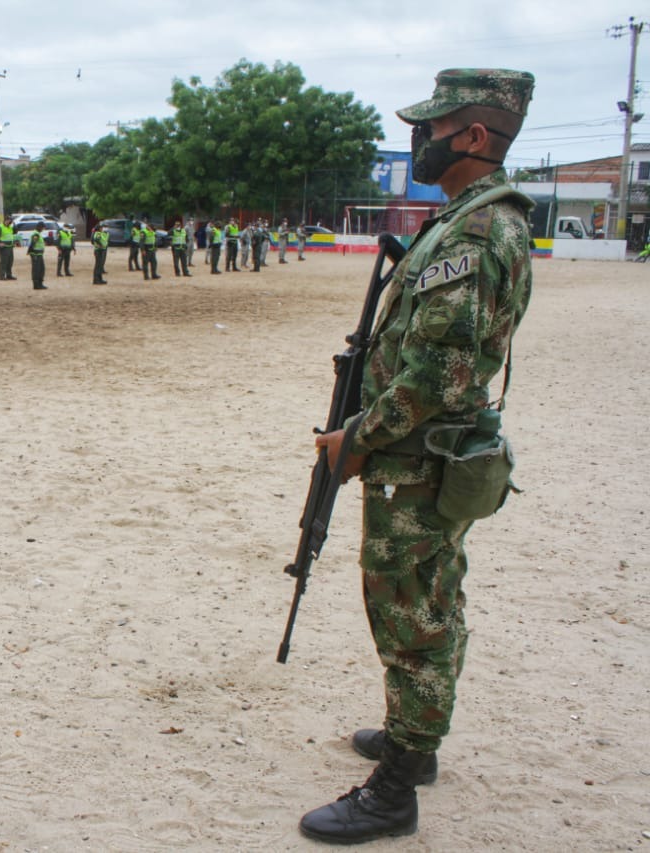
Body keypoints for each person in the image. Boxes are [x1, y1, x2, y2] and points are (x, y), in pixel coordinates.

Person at [298, 68, 536, 845]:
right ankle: (416, 741)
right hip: (434, 455)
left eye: (431, 129)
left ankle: (395, 789)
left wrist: (355, 439)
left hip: (418, 461)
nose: (419, 142)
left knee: (412, 617)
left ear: (474, 136)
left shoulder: (475, 233)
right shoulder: (471, 219)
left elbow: (440, 373)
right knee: (433, 601)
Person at [0, 215, 17, 281]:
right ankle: (2, 276)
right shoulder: (0, 227)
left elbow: (15, 232)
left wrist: (14, 224)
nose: (10, 222)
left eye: (11, 221)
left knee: (10, 261)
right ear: (6, 220)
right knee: (4, 262)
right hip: (4, 247)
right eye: (9, 220)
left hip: (10, 246)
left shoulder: (10, 227)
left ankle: (9, 275)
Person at [27, 223, 47, 290]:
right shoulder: (35, 234)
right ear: (40, 227)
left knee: (42, 269)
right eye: (43, 228)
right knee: (36, 270)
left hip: (39, 254)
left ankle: (40, 283)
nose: (43, 229)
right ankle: (36, 285)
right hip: (35, 254)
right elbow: (33, 244)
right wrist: (30, 252)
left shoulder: (38, 234)